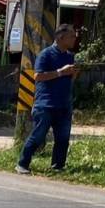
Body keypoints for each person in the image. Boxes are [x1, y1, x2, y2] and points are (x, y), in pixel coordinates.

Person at [16, 24, 79, 174]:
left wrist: (73, 74)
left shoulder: (70, 57)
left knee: (63, 137)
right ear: (61, 37)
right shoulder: (46, 54)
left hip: (64, 104)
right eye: (71, 36)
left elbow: (69, 80)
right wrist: (60, 72)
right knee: (38, 135)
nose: (74, 39)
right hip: (45, 104)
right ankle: (22, 163)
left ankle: (58, 166)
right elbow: (38, 76)